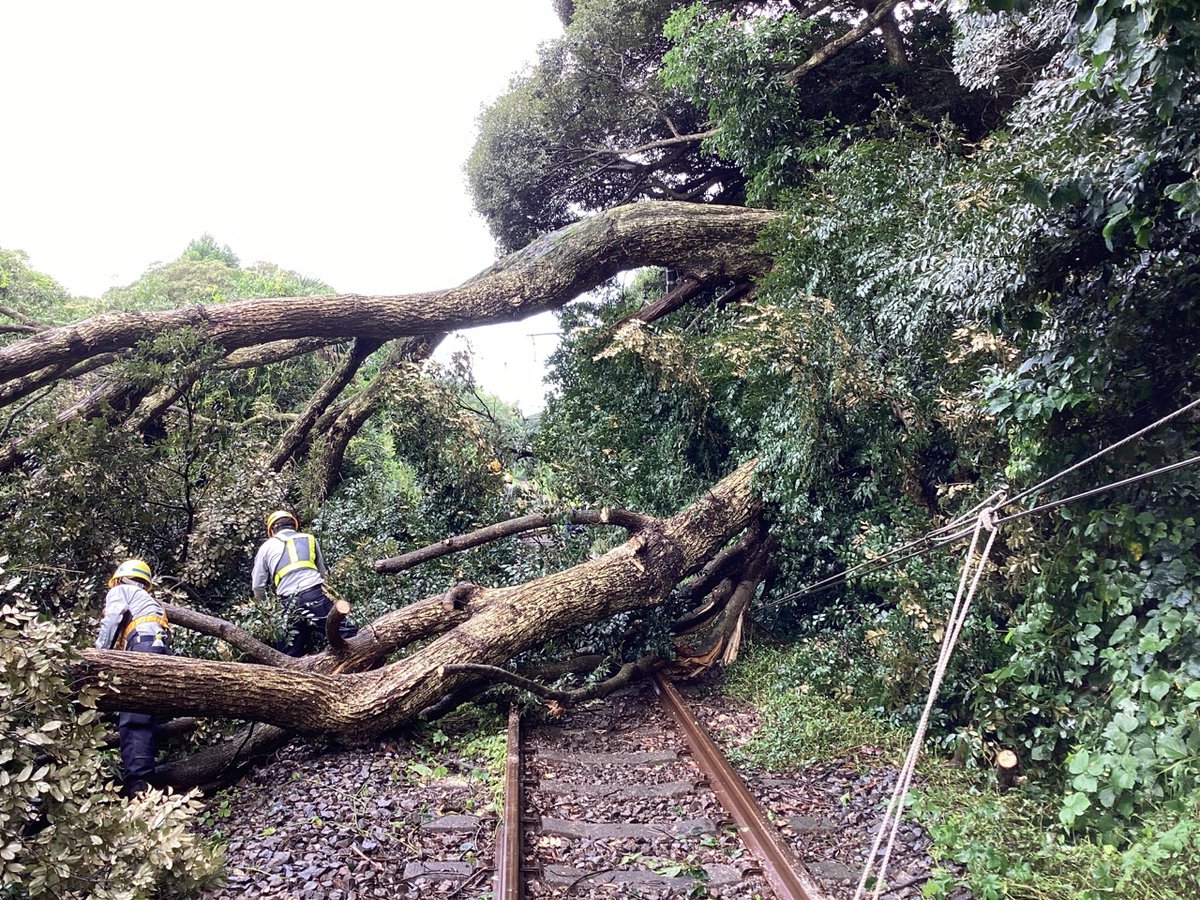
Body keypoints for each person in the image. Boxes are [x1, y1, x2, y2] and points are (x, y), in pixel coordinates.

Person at [95, 558, 171, 796]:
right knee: (148, 712)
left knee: (134, 717)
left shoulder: (121, 590)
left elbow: (112, 620)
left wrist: (97, 655)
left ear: (119, 578)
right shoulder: (150, 602)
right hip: (162, 652)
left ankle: (139, 787)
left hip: (143, 649)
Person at [252, 509, 357, 656]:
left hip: (288, 604)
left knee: (289, 654)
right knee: (349, 634)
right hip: (315, 595)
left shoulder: (266, 547)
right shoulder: (309, 539)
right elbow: (322, 572)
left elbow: (257, 586)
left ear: (272, 531)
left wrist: (266, 609)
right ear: (294, 525)